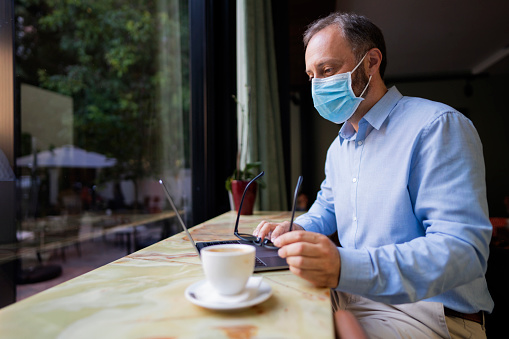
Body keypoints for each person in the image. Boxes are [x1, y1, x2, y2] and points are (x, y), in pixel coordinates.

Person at [254, 12, 493, 338]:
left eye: (327, 70)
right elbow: (328, 208)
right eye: (312, 76)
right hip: (352, 294)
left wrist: (344, 267)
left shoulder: (436, 127)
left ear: (371, 62)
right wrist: (296, 229)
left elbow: (463, 252)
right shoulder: (340, 146)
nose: (318, 86)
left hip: (428, 312)